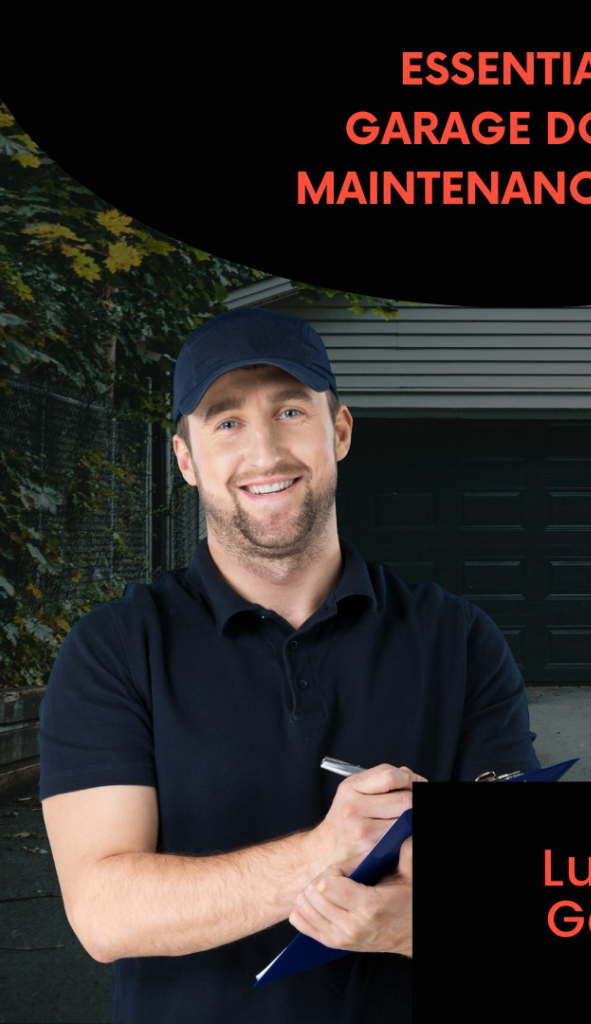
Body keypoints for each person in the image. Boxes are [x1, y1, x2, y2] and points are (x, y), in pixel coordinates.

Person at [38, 307, 539, 1023]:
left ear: (340, 431)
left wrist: (408, 928)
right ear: (186, 459)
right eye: (227, 421)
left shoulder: (459, 638)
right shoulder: (115, 649)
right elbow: (104, 913)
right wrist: (325, 852)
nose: (265, 452)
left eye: (291, 411)